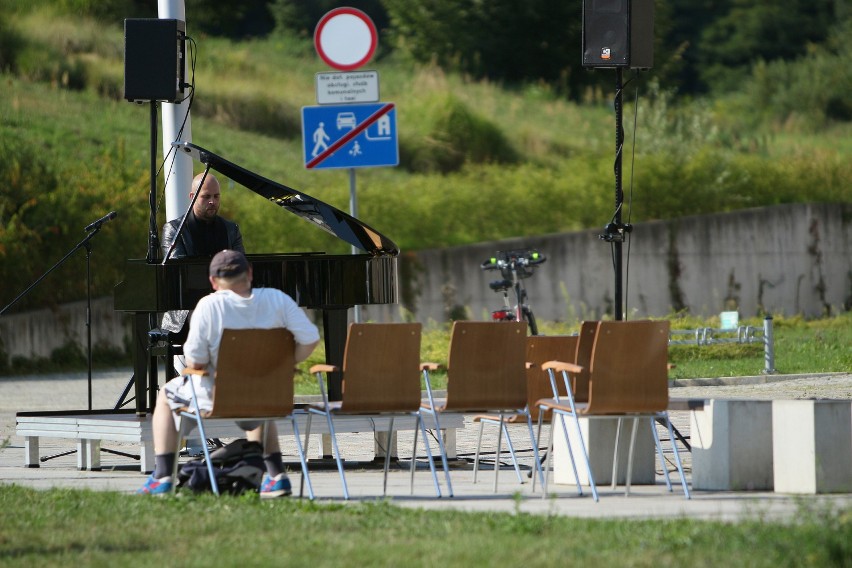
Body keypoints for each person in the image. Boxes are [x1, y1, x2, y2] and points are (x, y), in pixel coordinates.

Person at [138, 250, 321, 497]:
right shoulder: (278, 299)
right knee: (259, 402)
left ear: (213, 282)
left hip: (218, 397)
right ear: (250, 274)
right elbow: (310, 339)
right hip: (269, 396)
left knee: (166, 392)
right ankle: (277, 475)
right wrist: (286, 362)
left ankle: (161, 476)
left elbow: (195, 360)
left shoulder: (209, 305)